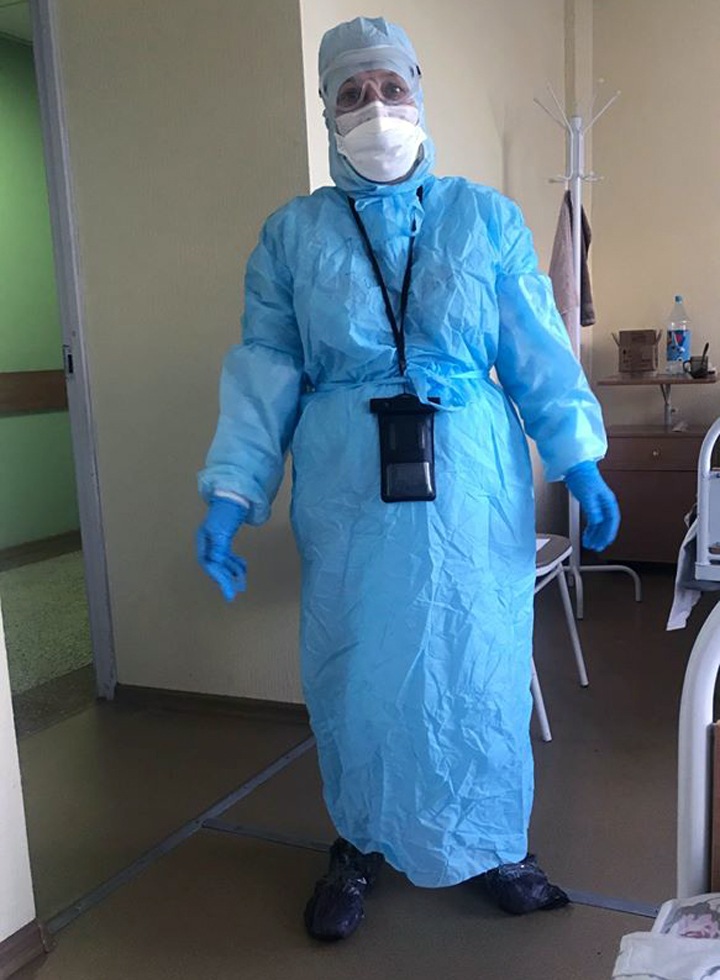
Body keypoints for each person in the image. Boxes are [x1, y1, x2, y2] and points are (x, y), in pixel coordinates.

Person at [196, 16, 620, 942]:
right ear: (326, 111)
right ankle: (357, 842)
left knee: (480, 664)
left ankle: (497, 844)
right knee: (357, 671)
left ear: (418, 93)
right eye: (351, 93)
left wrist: (580, 460)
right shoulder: (293, 237)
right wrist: (232, 493)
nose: (375, 109)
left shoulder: (485, 219)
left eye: (390, 87)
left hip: (472, 486)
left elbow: (538, 350)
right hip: (349, 494)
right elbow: (266, 368)